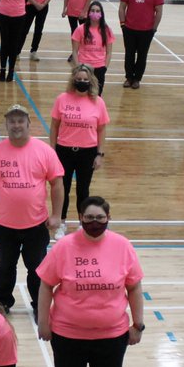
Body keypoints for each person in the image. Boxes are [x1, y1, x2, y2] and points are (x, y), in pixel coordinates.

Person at [37, 196, 145, 367]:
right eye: (89, 218)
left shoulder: (122, 246)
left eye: (99, 218)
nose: (94, 222)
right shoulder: (64, 246)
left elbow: (134, 287)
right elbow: (45, 284)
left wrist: (138, 324)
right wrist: (44, 321)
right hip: (68, 335)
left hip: (112, 335)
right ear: (80, 219)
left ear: (108, 218)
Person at [0, 105, 64, 316]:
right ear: (6, 124)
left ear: (28, 124)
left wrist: (57, 215)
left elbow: (57, 184)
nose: (16, 125)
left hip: (36, 224)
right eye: (12, 121)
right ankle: (3, 301)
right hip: (4, 224)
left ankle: (38, 305)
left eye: (20, 121)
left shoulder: (44, 151)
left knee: (37, 268)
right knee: (5, 266)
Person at [50, 65, 109, 239]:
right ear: (73, 79)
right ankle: (61, 223)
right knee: (63, 188)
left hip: (87, 152)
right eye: (79, 79)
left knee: (83, 189)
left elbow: (101, 129)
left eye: (85, 79)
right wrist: (52, 151)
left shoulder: (98, 102)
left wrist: (100, 154)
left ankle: (82, 223)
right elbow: (54, 126)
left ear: (90, 81)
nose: (82, 82)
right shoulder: (62, 99)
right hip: (64, 150)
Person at [118, 0, 165, 90]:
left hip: (146, 30)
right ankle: (128, 77)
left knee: (142, 55)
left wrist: (154, 28)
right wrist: (122, 24)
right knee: (129, 54)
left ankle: (137, 79)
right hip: (129, 28)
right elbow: (122, 7)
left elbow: (159, 11)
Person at [69, 0, 115, 94]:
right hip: (84, 67)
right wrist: (78, 67)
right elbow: (74, 51)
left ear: (101, 14)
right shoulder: (80, 29)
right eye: (92, 10)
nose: (95, 13)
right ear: (88, 13)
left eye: (98, 11)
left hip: (99, 67)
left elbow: (109, 52)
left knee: (97, 95)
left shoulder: (106, 30)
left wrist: (104, 67)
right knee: (83, 94)